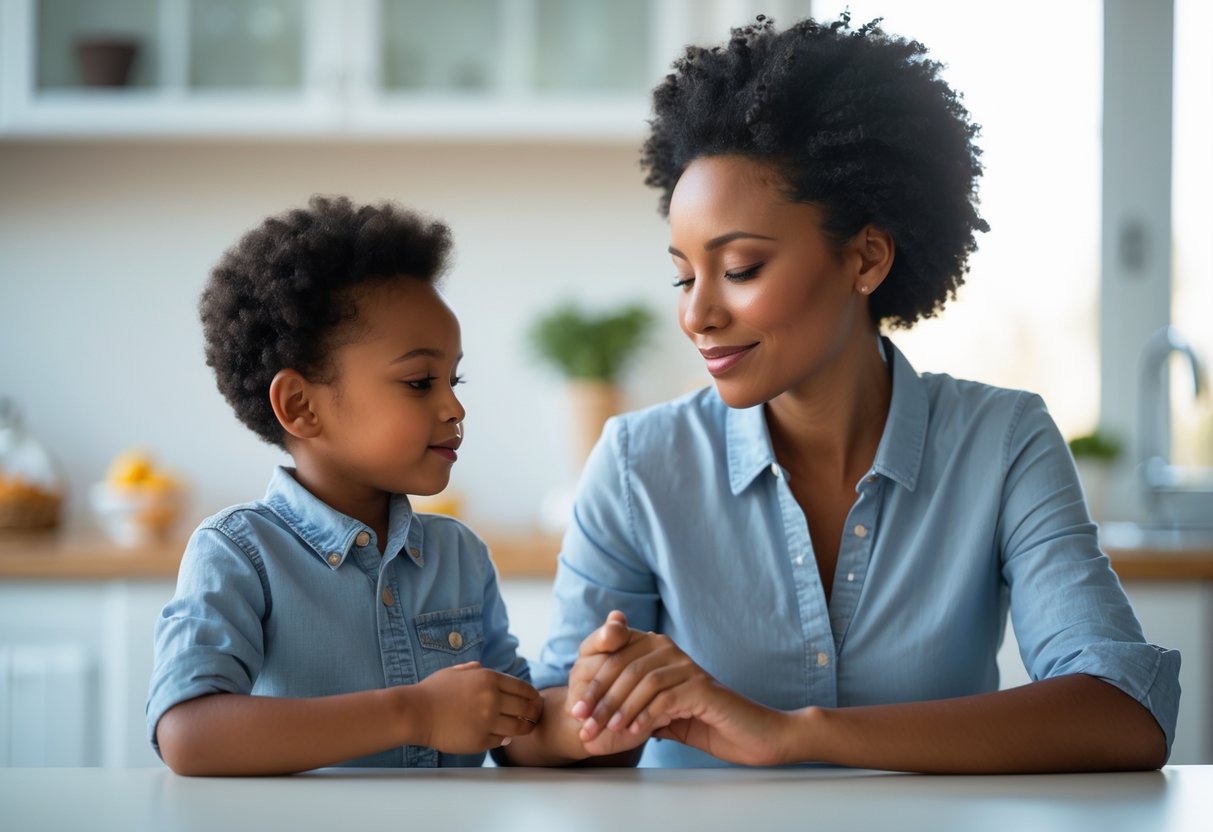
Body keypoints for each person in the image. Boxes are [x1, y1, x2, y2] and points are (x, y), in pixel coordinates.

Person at [510, 14, 1181, 771]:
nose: (695, 315)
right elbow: (539, 726)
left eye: (738, 270)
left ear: (865, 258)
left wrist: (790, 734)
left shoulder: (1002, 442)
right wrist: (602, 700)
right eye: (682, 274)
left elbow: (1124, 711)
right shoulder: (638, 462)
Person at [147, 196, 543, 775]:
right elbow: (189, 734)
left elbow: (520, 732)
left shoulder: (459, 556)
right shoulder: (238, 553)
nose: (455, 406)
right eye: (418, 382)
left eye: (453, 379)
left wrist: (603, 707)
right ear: (301, 406)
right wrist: (416, 713)